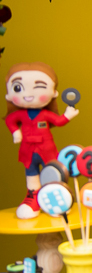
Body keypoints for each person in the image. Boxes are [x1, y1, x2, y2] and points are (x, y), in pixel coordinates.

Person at [4, 62, 79, 219]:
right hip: (28, 151)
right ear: (9, 95)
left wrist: (68, 115)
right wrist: (15, 132)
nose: (28, 94)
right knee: (31, 175)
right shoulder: (20, 115)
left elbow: (58, 121)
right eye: (18, 88)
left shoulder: (45, 115)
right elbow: (10, 120)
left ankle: (56, 198)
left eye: (39, 87)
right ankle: (32, 199)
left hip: (47, 151)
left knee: (51, 173)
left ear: (53, 93)